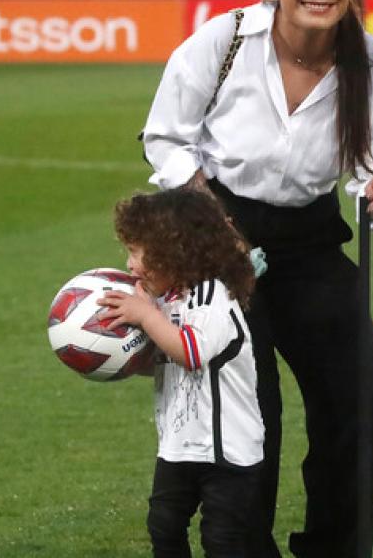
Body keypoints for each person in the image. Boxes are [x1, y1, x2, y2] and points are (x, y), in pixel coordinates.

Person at [140, 0, 373, 558]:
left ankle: (335, 549)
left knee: (363, 395)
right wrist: (214, 223)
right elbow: (165, 137)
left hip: (312, 239)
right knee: (247, 409)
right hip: (220, 235)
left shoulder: (372, 66)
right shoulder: (227, 39)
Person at [100, 187, 263, 558]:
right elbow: (166, 359)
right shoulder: (168, 300)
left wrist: (146, 316)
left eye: (136, 252)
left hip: (226, 451)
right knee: (163, 526)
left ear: (174, 250)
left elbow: (190, 353)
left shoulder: (212, 296)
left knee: (222, 541)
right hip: (179, 445)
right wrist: (119, 357)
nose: (130, 265)